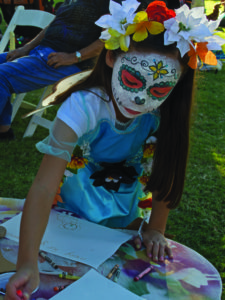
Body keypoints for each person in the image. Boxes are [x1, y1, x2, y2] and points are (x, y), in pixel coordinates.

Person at [5, 0, 224, 299]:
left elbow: (166, 167)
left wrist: (156, 228)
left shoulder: (165, 115)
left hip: (125, 217)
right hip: (70, 211)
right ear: (110, 57)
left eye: (159, 90)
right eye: (132, 80)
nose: (139, 98)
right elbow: (44, 187)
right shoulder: (82, 107)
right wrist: (28, 263)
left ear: (179, 83)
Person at [0, 0, 128, 140]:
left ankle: (3, 131)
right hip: (41, 52)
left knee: (2, 75)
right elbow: (53, 25)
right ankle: (4, 130)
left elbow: (108, 40)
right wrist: (26, 48)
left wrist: (74, 57)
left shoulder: (109, 3)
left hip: (66, 62)